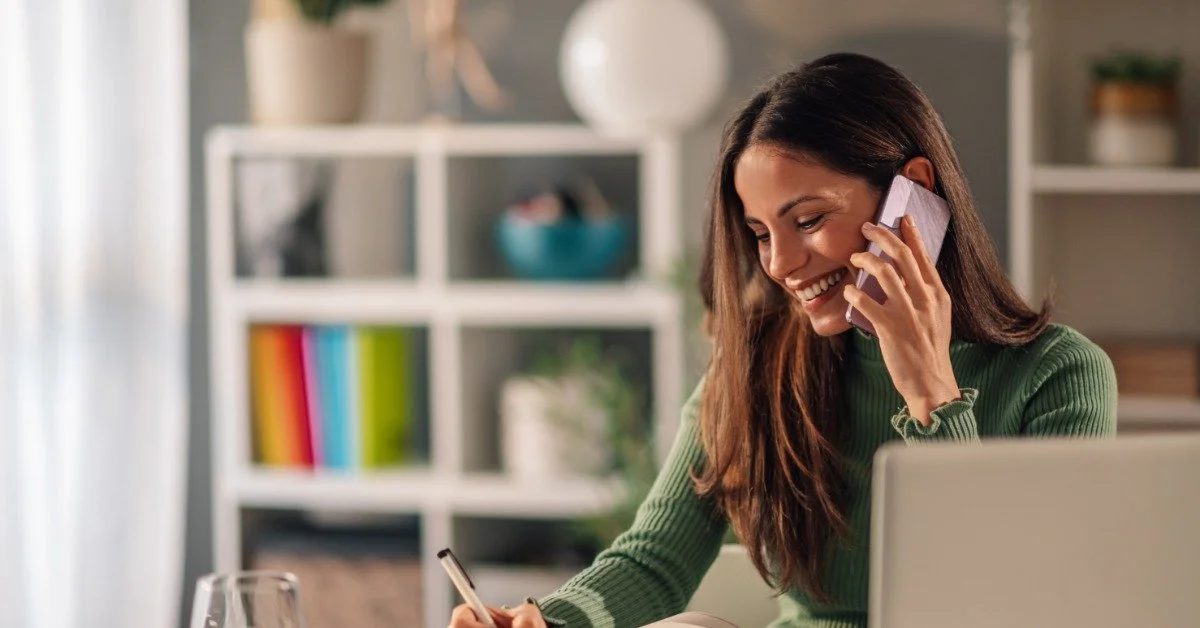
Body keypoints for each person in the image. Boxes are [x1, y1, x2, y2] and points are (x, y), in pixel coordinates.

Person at [448, 52, 1117, 628]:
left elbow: (1027, 603)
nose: (782, 264)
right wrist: (550, 620)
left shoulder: (1059, 375)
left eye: (809, 219)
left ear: (910, 193)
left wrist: (933, 397)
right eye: (763, 233)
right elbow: (654, 560)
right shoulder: (757, 365)